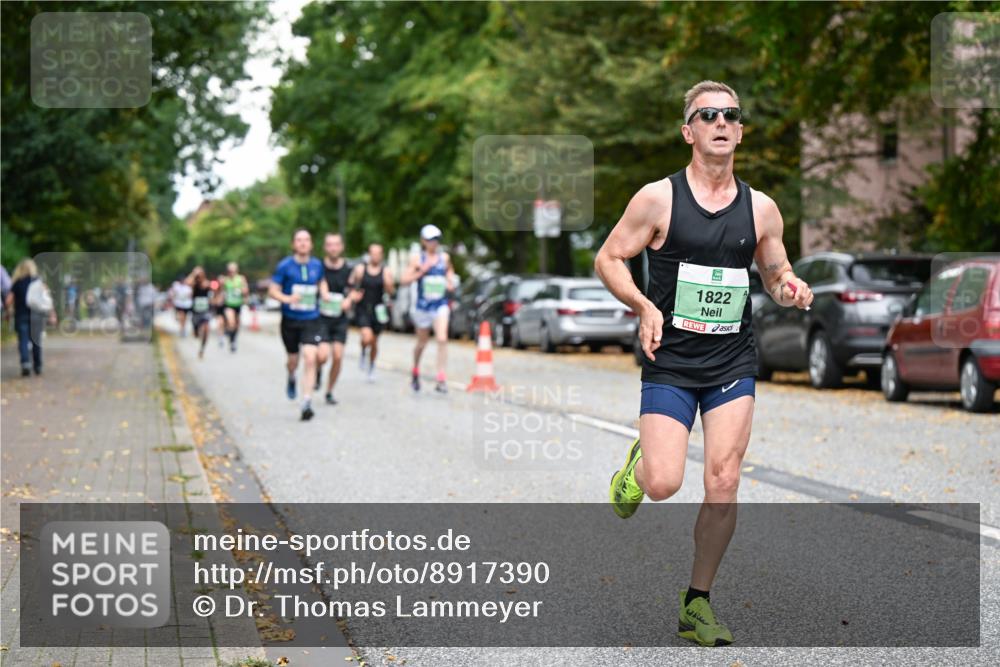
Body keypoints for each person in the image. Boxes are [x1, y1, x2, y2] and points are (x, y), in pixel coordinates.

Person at [594, 81, 814, 647]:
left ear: (740, 131)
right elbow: (610, 257)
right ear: (689, 131)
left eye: (731, 115)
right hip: (670, 361)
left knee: (723, 478)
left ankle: (697, 602)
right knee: (665, 483)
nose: (721, 122)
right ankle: (639, 465)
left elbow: (774, 270)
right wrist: (643, 304)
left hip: (731, 360)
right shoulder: (657, 199)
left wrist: (789, 287)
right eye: (707, 114)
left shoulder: (760, 208)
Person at [268, 229, 328, 421]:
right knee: (293, 360)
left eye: (306, 240)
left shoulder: (317, 265)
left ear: (311, 244)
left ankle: (306, 402)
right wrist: (287, 298)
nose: (303, 243)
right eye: (299, 240)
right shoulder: (285, 266)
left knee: (311, 358)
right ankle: (291, 376)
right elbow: (273, 290)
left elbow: (321, 282)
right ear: (294, 244)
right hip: (290, 320)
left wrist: (325, 293)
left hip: (311, 318)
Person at [401, 224, 455, 393]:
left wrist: (450, 282)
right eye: (430, 240)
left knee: (442, 338)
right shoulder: (417, 259)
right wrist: (420, 272)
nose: (434, 243)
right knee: (422, 342)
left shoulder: (444, 258)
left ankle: (441, 377)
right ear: (423, 241)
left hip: (439, 305)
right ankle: (416, 369)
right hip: (423, 306)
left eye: (436, 239)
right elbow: (404, 280)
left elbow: (450, 274)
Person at [316, 233, 355, 404]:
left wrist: (349, 299)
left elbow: (355, 289)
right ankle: (317, 371)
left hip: (340, 318)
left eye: (336, 244)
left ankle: (329, 391)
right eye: (330, 245)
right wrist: (321, 289)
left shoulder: (348, 269)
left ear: (341, 247)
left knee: (338, 356)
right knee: (323, 356)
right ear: (325, 247)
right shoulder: (318, 267)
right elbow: (315, 282)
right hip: (321, 318)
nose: (333, 248)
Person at [348, 243, 395, 382]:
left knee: (374, 342)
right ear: (369, 254)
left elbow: (391, 292)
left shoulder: (386, 271)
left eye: (378, 253)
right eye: (372, 253)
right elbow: (350, 284)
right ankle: (363, 351)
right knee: (366, 337)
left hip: (379, 310)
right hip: (363, 308)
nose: (375, 256)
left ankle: (372, 365)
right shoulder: (360, 269)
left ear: (381, 255)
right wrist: (354, 294)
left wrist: (388, 284)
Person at [5, 259, 56, 376]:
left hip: (21, 315)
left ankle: (25, 363)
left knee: (23, 340)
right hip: (36, 316)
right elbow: (47, 299)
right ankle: (38, 366)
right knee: (36, 341)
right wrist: (52, 314)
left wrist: (8, 312)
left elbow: (8, 301)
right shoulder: (39, 282)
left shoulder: (17, 283)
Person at [220, 262, 249, 353]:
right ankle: (227, 333)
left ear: (236, 270)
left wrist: (241, 291)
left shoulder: (241, 279)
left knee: (236, 325)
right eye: (230, 271)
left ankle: (233, 341)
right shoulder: (225, 280)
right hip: (228, 304)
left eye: (233, 270)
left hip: (238, 304)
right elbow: (222, 291)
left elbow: (246, 290)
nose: (231, 272)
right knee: (231, 322)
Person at [185, 267, 214, 359]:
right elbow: (187, 283)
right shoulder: (193, 283)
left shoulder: (207, 283)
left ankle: (202, 349)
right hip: (195, 311)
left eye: (200, 273)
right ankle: (196, 331)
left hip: (205, 310)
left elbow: (213, 291)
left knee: (206, 329)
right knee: (196, 335)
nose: (199, 276)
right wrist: (193, 274)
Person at [169, 273, 193, 337]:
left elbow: (190, 295)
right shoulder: (176, 285)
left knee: (184, 318)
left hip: (186, 304)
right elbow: (173, 293)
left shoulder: (188, 287)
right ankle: (181, 329)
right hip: (179, 304)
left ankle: (183, 328)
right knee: (181, 316)